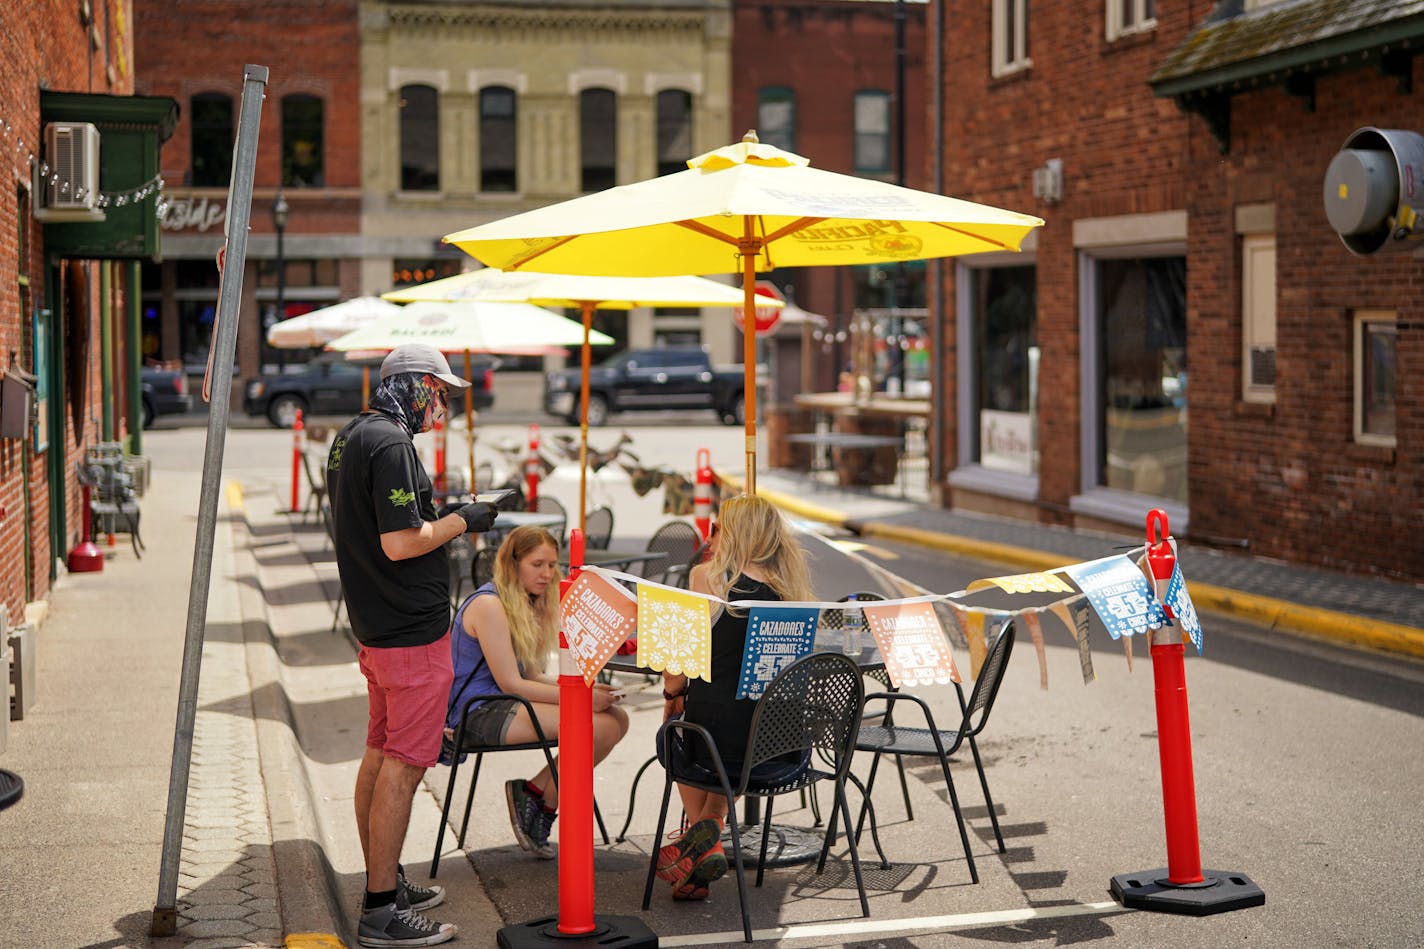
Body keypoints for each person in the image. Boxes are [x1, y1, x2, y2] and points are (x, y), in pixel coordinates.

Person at [326, 342, 499, 948]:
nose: (445, 404)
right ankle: (380, 911)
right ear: (414, 385)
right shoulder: (394, 444)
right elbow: (401, 542)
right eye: (441, 391)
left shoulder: (351, 435)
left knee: (379, 752)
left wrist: (445, 515)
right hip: (410, 634)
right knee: (404, 766)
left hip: (376, 626)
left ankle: (386, 881)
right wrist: (465, 519)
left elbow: (378, 530)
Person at [655, 495, 812, 901]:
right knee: (739, 731)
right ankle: (710, 828)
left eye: (717, 527)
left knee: (675, 731)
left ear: (734, 533)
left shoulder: (708, 577)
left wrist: (672, 694)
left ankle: (702, 839)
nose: (711, 535)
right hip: (779, 745)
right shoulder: (791, 587)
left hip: (713, 739)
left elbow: (679, 659)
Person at [444, 525, 629, 859]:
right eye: (537, 564)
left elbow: (532, 674)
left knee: (618, 719)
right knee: (599, 726)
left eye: (552, 565)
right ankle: (541, 801)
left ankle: (535, 794)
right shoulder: (489, 605)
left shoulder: (527, 603)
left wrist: (582, 687)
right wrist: (581, 699)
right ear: (513, 564)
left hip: (504, 703)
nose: (547, 574)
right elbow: (511, 684)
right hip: (477, 712)